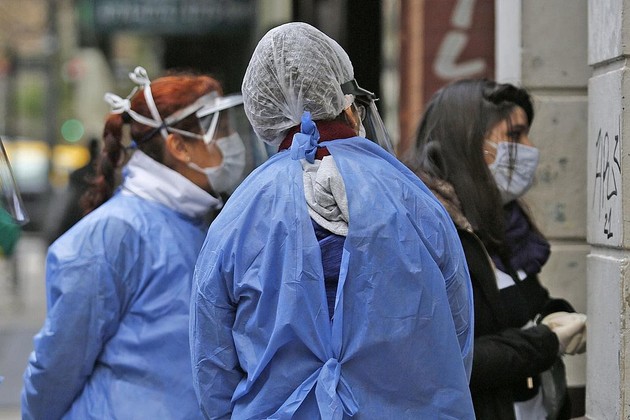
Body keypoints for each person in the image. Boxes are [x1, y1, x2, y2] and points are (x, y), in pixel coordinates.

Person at [190, 22, 475, 419]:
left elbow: (212, 364)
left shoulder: (239, 215)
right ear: (348, 103)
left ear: (264, 113)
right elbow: (457, 335)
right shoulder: (411, 197)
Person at [21, 66, 254, 419]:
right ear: (178, 145)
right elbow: (58, 364)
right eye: (219, 130)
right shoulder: (113, 232)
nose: (231, 141)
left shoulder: (197, 222)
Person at [405, 78, 587, 420]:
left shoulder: (504, 224)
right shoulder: (427, 234)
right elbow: (446, 359)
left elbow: (522, 304)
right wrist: (546, 342)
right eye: (515, 135)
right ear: (467, 141)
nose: (530, 148)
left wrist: (552, 313)